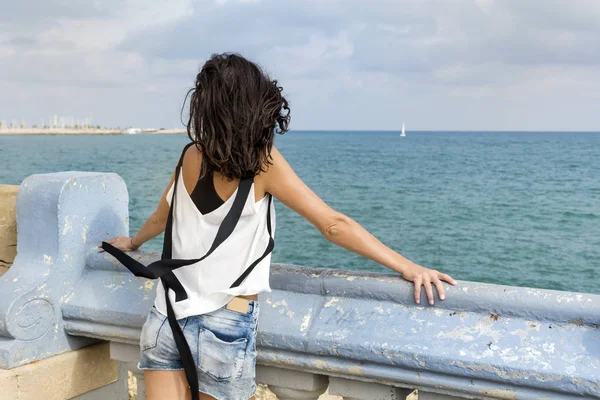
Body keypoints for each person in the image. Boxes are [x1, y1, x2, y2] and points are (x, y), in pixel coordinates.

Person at [98, 52, 457, 400]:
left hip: (168, 315)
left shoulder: (190, 155)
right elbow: (332, 225)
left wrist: (131, 242)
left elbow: (163, 217)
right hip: (226, 320)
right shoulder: (264, 163)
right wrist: (407, 266)